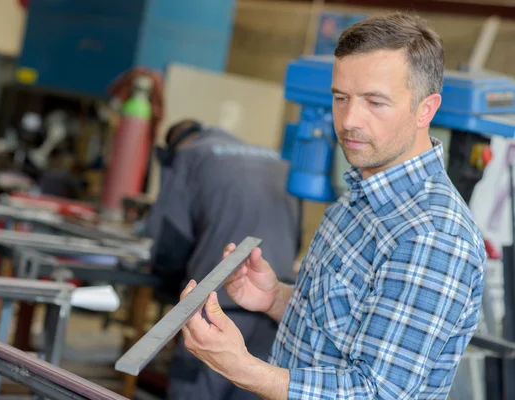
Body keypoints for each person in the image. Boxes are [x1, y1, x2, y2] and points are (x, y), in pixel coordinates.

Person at [178, 12, 487, 400]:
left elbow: (376, 392)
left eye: (375, 102)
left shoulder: (433, 236)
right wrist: (275, 297)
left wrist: (242, 368)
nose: (350, 120)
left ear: (426, 109)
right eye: (341, 98)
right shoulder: (355, 199)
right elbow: (342, 330)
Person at [145, 120, 302, 400]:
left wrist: (167, 286)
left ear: (175, 146)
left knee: (196, 388)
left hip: (216, 303)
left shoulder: (190, 156)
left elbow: (171, 241)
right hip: (278, 305)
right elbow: (296, 235)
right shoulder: (274, 158)